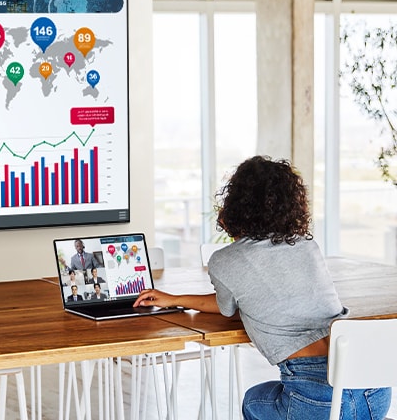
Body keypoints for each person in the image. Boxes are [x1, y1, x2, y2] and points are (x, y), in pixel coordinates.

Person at [133, 155, 392, 420]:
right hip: (373, 392)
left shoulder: (225, 260)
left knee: (253, 402)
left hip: (316, 402)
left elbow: (226, 308)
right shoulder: (305, 246)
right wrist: (176, 298)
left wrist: (175, 300)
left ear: (235, 204)